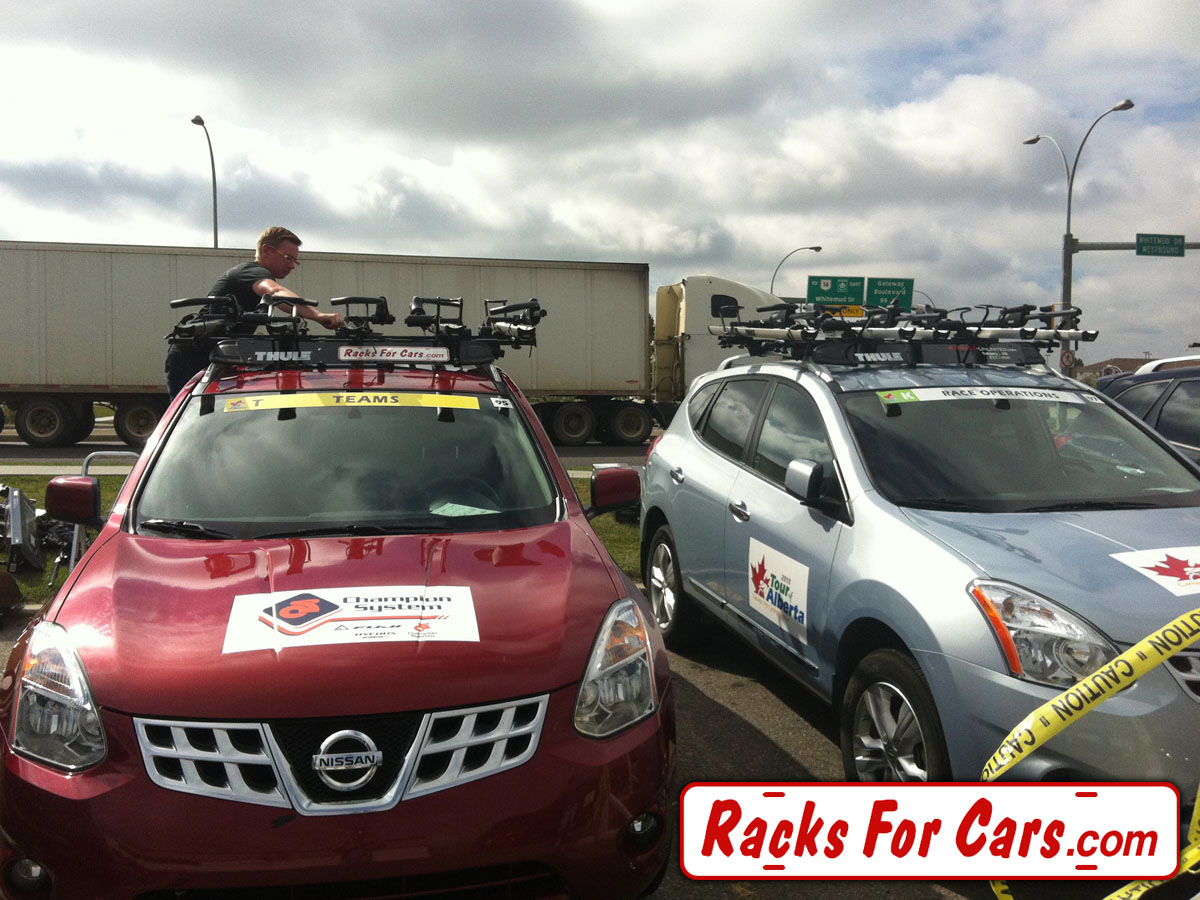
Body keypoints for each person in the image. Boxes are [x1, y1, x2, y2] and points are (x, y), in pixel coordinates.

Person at [165, 226, 344, 396]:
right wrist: (318, 316)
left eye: (295, 261)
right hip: (192, 356)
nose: (291, 265)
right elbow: (275, 293)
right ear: (266, 251)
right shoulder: (252, 272)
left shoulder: (253, 274)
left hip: (213, 355)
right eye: (288, 257)